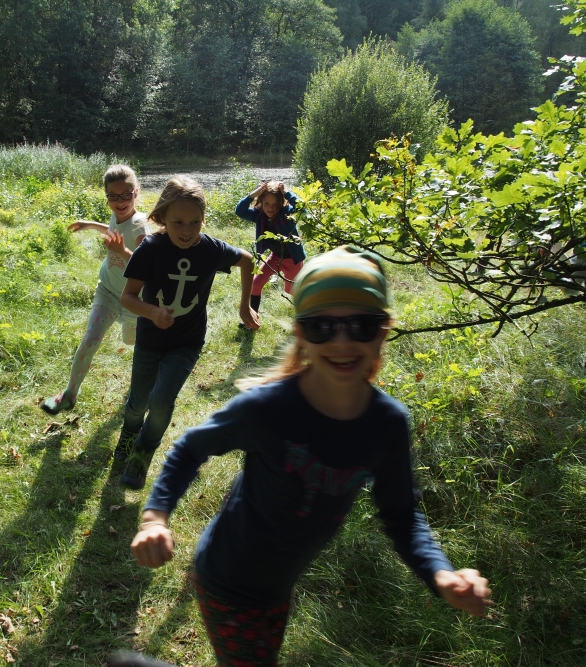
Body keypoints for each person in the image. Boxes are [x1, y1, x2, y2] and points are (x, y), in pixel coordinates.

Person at [129, 246, 492, 666]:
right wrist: (156, 517)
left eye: (361, 325)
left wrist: (441, 574)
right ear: (302, 336)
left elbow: (402, 514)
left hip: (278, 586)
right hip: (229, 578)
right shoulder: (268, 408)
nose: (342, 341)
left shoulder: (387, 423)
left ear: (383, 332)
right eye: (322, 326)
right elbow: (192, 447)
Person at [115, 177, 260, 488]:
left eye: (195, 222)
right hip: (150, 340)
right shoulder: (150, 249)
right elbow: (127, 297)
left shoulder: (210, 249)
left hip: (186, 342)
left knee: (162, 401)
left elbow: (248, 261)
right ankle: (128, 435)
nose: (187, 230)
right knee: (138, 401)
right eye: (178, 221)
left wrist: (244, 306)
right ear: (161, 218)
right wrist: (153, 311)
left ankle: (141, 453)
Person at [40, 164, 150, 415]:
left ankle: (143, 388)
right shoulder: (118, 214)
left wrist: (122, 253)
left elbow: (147, 265)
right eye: (113, 196)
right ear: (107, 196)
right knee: (90, 339)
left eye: (126, 194)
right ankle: (68, 395)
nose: (120, 201)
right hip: (109, 292)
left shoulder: (140, 225)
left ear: (136, 192)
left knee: (134, 344)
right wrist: (90, 224)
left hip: (135, 300)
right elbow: (114, 230)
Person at [234, 181, 305, 315]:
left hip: (293, 260)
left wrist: (287, 193)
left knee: (291, 291)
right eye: (266, 203)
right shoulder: (259, 214)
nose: (270, 208)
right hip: (275, 257)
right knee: (255, 284)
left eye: (275, 204)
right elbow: (240, 211)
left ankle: (306, 316)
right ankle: (252, 318)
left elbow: (302, 208)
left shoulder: (286, 213)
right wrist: (254, 194)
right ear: (261, 202)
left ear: (281, 203)